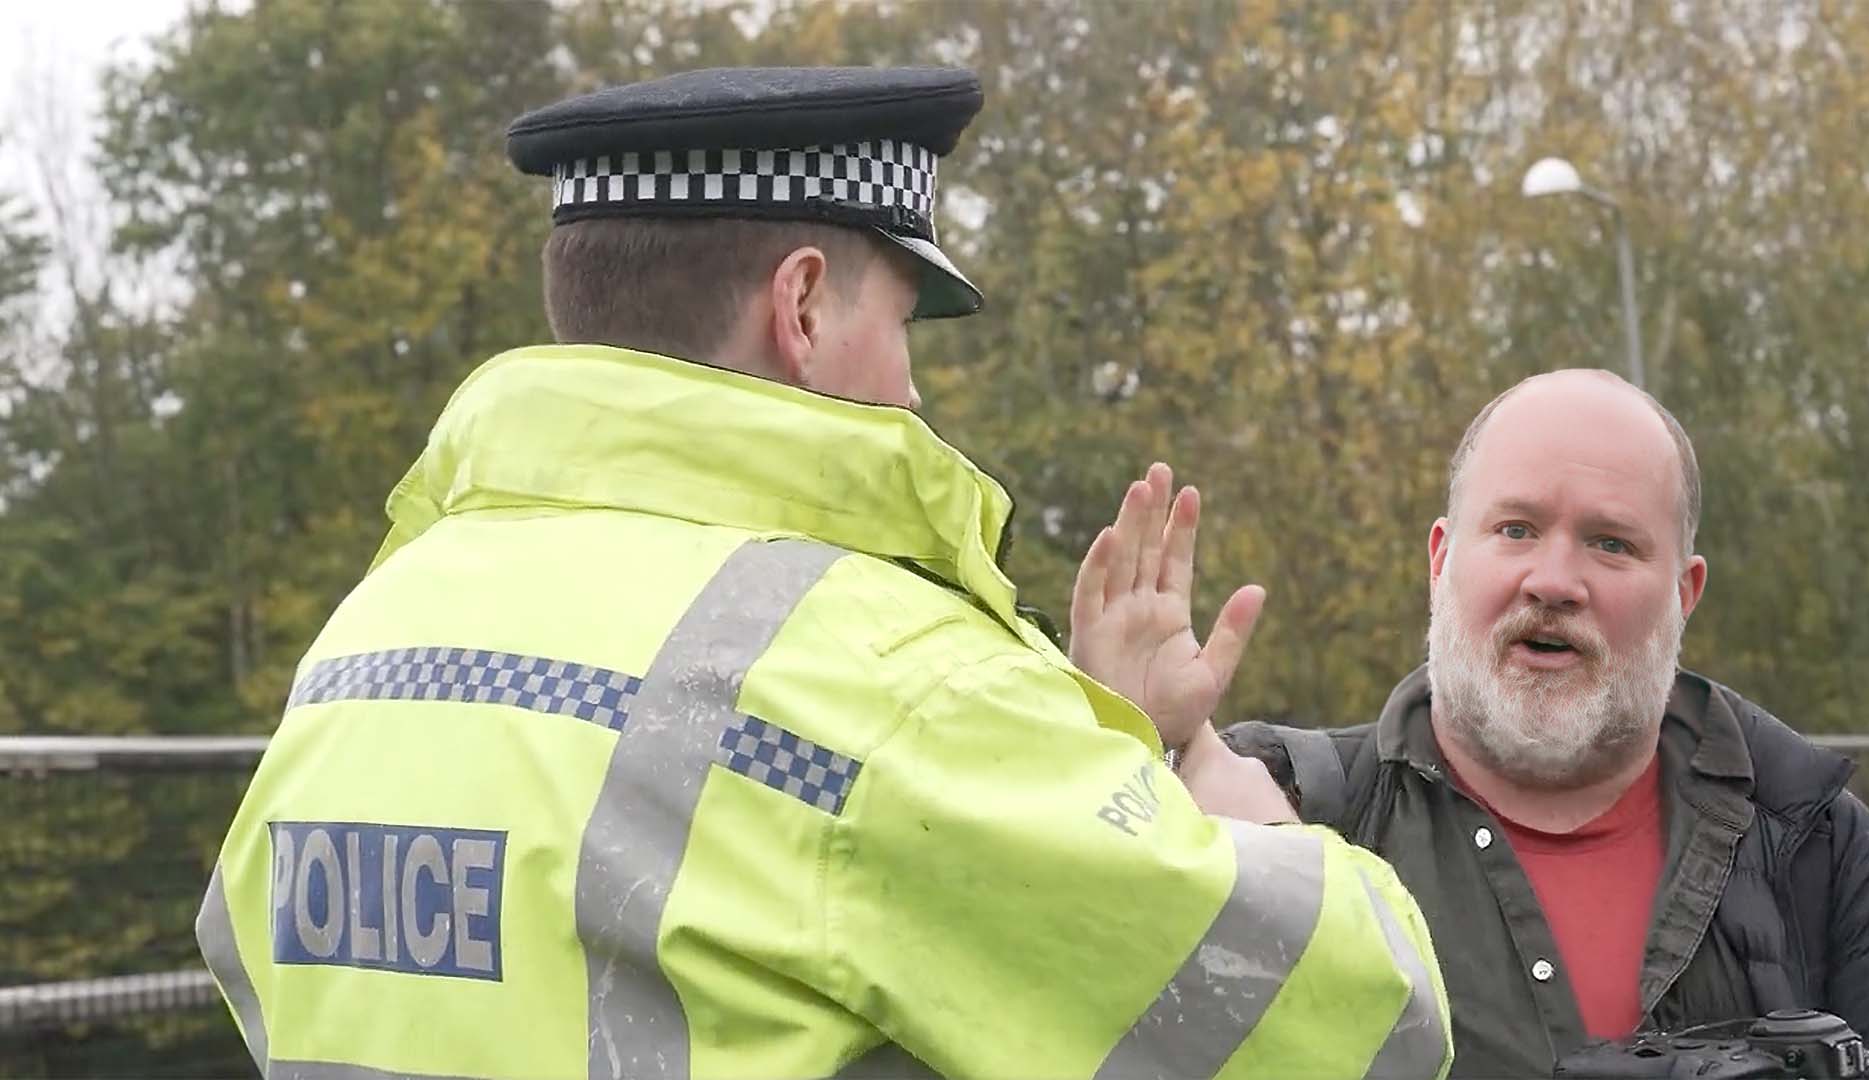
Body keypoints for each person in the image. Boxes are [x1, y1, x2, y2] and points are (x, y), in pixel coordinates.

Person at [194, 66, 1451, 1080]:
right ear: (800, 306)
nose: (912, 389)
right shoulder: (885, 676)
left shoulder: (374, 633)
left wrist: (1089, 741)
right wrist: (1210, 787)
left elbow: (252, 958)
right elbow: (1364, 1017)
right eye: (901, 322)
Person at [1120, 369, 1869, 1077]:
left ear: (1684, 593)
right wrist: (1131, 757)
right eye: (1516, 530)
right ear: (1440, 561)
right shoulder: (1273, 810)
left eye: (1611, 544)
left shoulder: (1816, 848)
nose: (1554, 580)